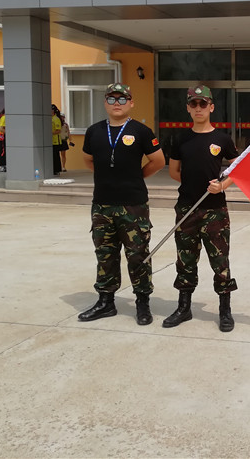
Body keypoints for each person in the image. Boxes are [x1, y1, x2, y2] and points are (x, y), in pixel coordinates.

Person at [78, 83, 165, 326]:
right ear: (105, 103)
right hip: (102, 205)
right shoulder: (94, 131)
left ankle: (142, 302)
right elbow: (88, 160)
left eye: (122, 99)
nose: (117, 103)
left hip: (133, 205)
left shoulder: (142, 131)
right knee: (105, 254)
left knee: (138, 255)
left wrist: (135, 177)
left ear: (131, 103)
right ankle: (106, 302)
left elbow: (158, 161)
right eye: (112, 99)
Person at [163, 85, 240, 332]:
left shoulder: (222, 139)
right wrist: (192, 185)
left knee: (220, 261)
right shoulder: (180, 138)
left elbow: (237, 170)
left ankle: (225, 309)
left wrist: (222, 185)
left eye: (203, 104)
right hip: (187, 208)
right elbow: (175, 171)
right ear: (188, 108)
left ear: (211, 107)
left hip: (215, 210)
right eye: (194, 104)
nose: (198, 108)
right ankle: (184, 307)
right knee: (185, 260)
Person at [51, 104, 63, 175]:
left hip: (56, 141)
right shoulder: (51, 118)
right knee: (52, 156)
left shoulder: (56, 119)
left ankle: (57, 170)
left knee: (56, 156)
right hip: (51, 140)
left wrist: (50, 133)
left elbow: (58, 130)